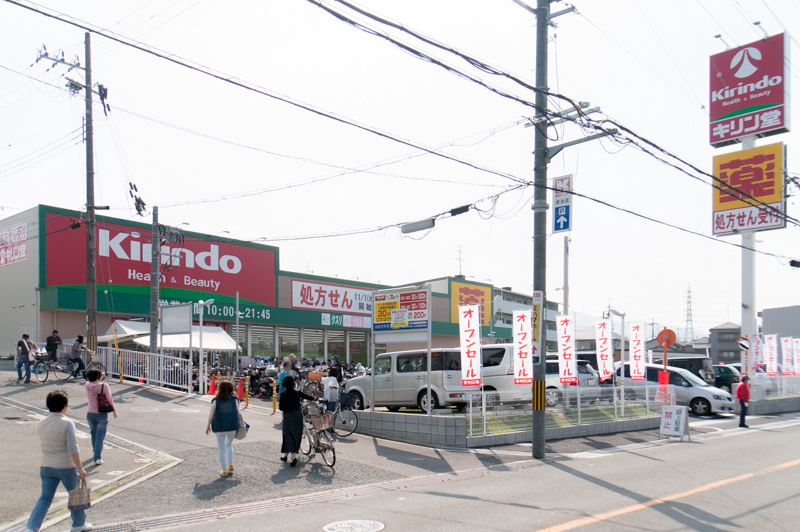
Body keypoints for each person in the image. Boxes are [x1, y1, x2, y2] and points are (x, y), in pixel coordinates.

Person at [26, 390, 92, 532]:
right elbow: (72, 447)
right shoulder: (67, 423)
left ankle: (31, 527)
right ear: (64, 406)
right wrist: (80, 468)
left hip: (46, 465)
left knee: (45, 498)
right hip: (66, 466)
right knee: (75, 496)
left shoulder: (42, 423)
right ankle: (78, 524)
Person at [279, 375, 316, 466]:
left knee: (288, 435)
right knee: (296, 435)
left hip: (288, 416)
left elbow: (281, 408)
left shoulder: (283, 394)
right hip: (298, 416)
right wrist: (314, 398)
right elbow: (308, 397)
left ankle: (294, 457)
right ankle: (285, 455)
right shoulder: (297, 392)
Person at [206, 381, 239, 477]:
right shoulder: (235, 399)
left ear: (220, 388)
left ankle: (224, 469)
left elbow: (211, 414)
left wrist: (208, 425)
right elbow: (238, 412)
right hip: (232, 426)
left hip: (219, 426)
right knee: (229, 445)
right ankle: (230, 464)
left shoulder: (216, 400)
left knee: (221, 448)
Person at [84, 370, 118, 465]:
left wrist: (98, 376)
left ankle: (95, 452)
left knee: (94, 434)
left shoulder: (87, 386)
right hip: (101, 414)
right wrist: (114, 411)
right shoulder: (104, 386)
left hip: (90, 413)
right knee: (100, 437)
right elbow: (110, 399)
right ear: (99, 378)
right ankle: (97, 457)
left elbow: (90, 381)